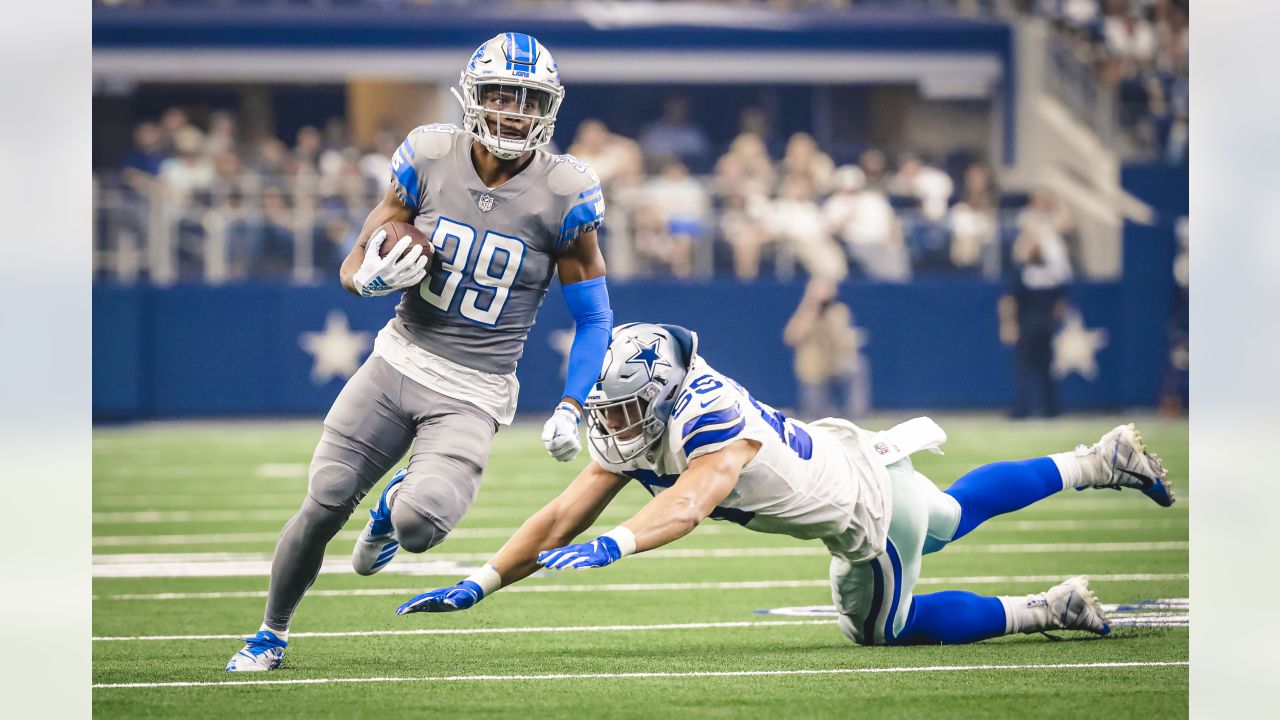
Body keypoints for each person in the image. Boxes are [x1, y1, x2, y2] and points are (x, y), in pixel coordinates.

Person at [395, 323, 1175, 649]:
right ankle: (1097, 461)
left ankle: (1049, 607)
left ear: (662, 394)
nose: (617, 423)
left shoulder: (710, 419)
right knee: (952, 512)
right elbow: (563, 512)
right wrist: (482, 581)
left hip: (863, 508)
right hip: (865, 461)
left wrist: (618, 543)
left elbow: (693, 502)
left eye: (628, 409)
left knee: (878, 631)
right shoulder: (655, 410)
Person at [225, 32, 615, 672]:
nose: (514, 111)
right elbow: (356, 257)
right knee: (322, 501)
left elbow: (595, 314)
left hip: (477, 386)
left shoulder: (566, 192)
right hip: (398, 358)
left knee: (418, 526)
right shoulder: (430, 155)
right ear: (473, 96)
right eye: (500, 94)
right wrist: (367, 279)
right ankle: (270, 632)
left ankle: (389, 509)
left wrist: (574, 403)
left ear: (548, 107)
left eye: (527, 99)